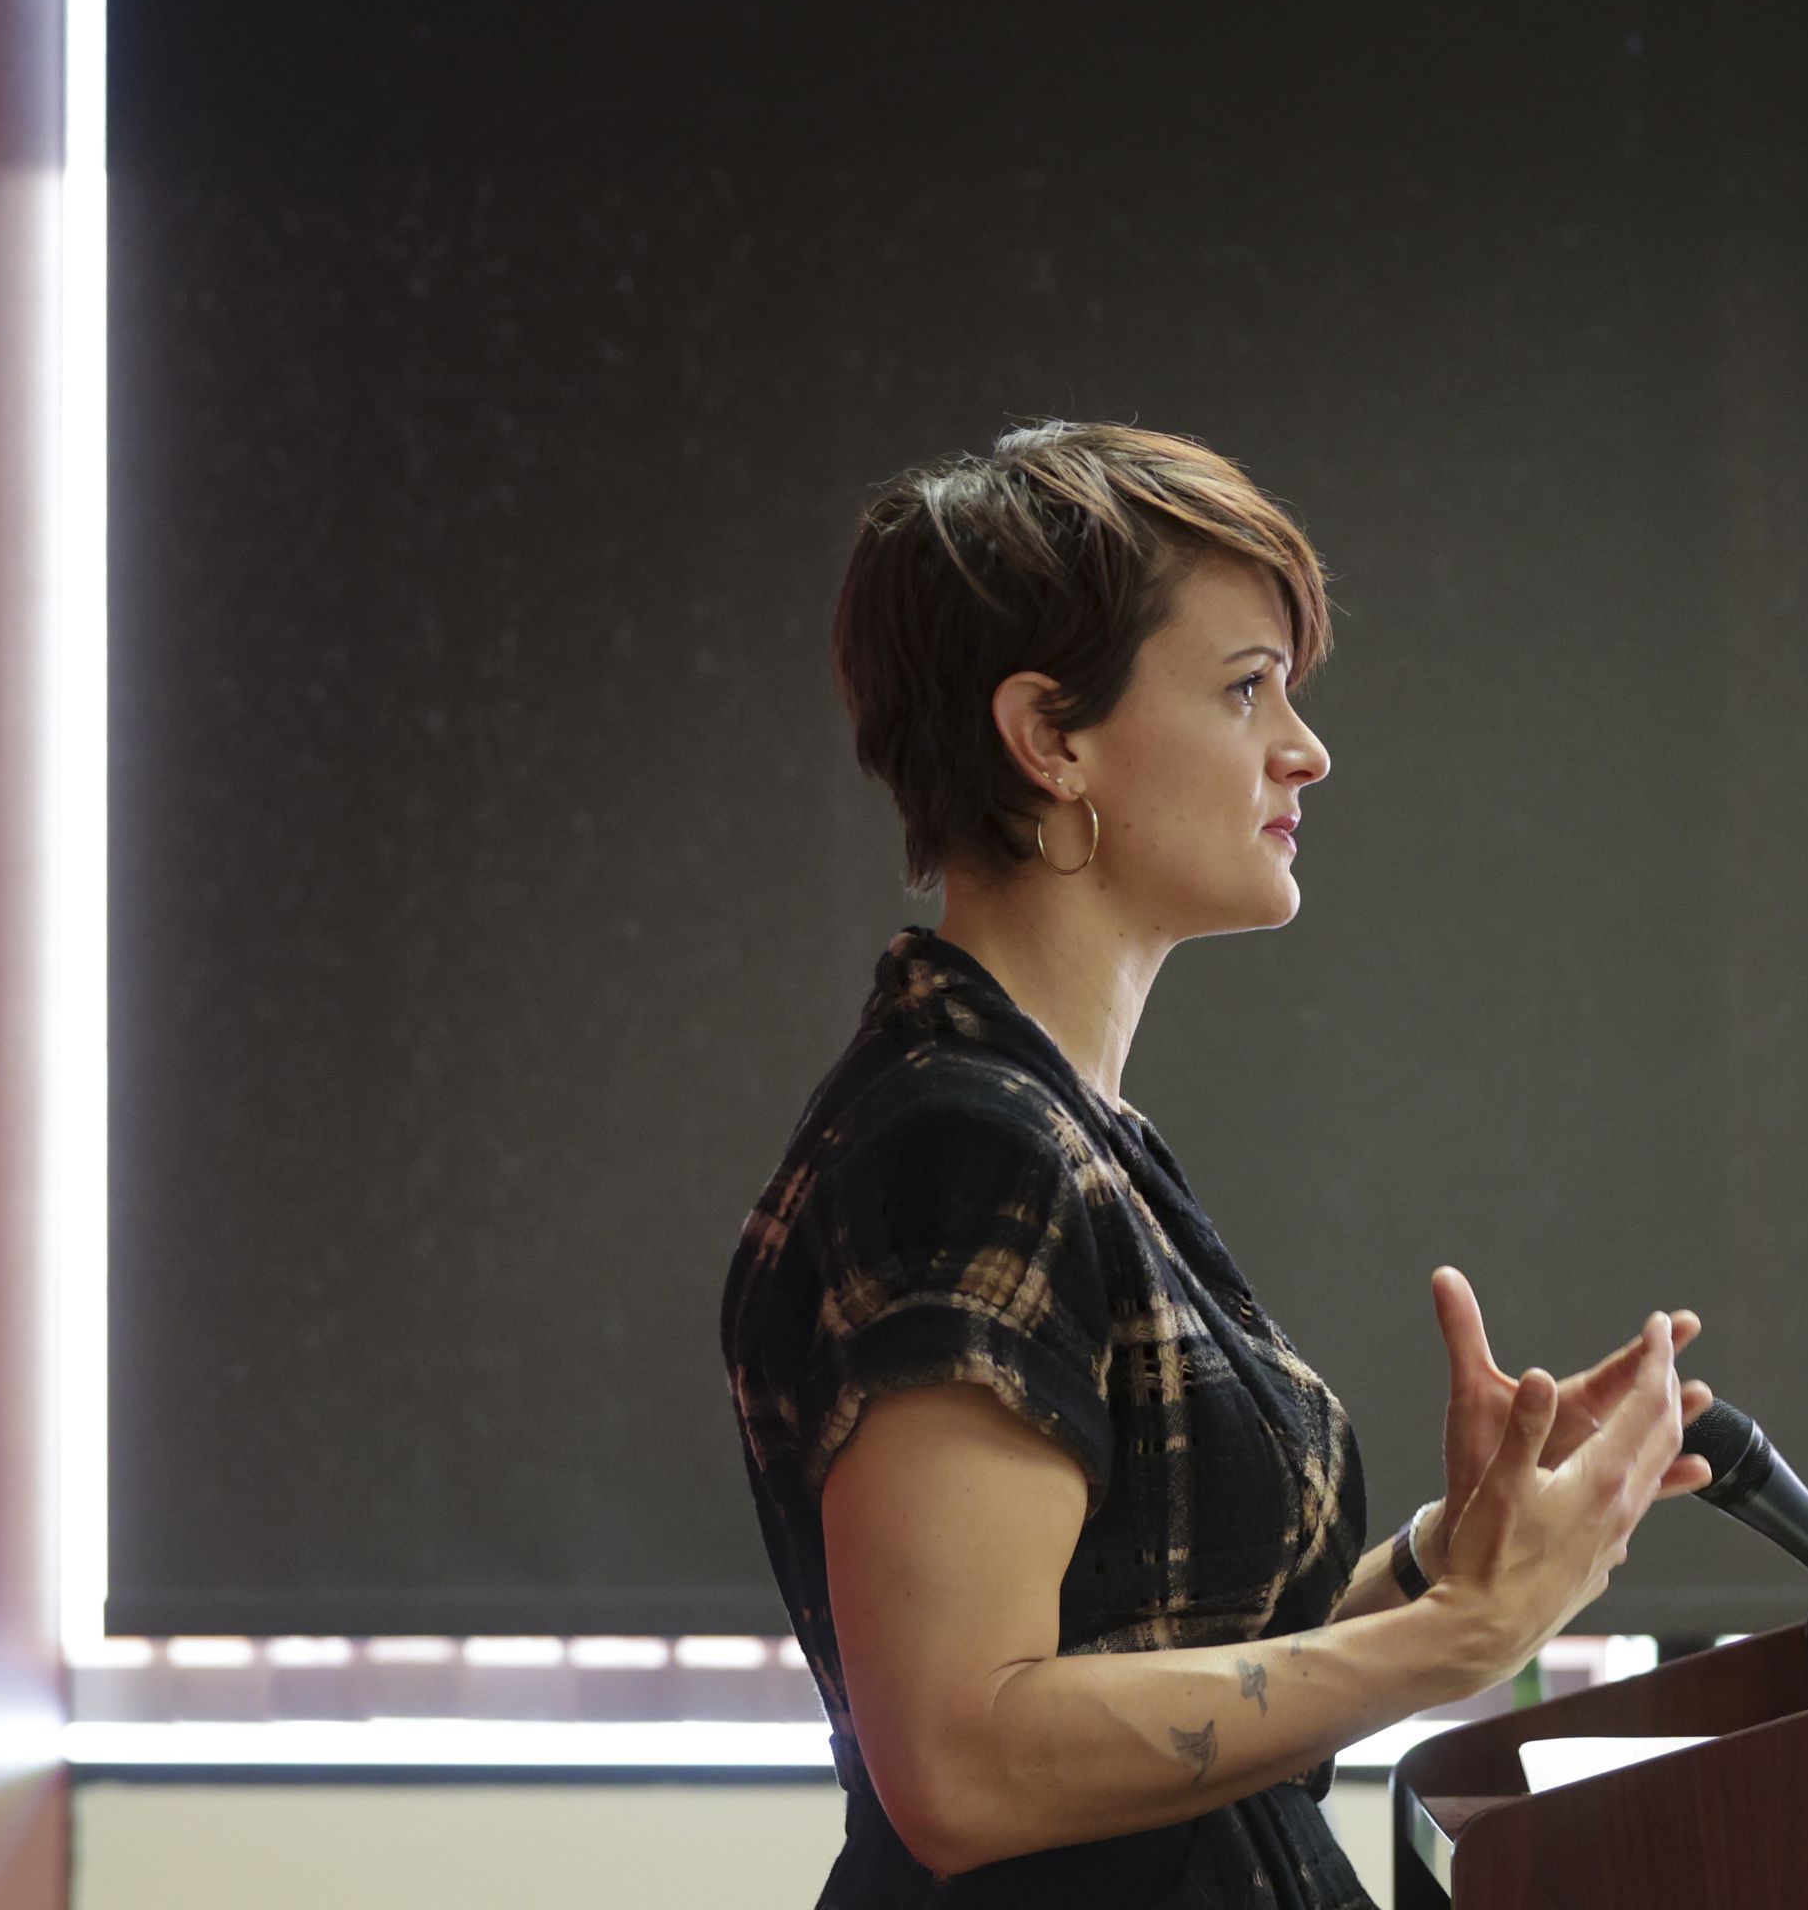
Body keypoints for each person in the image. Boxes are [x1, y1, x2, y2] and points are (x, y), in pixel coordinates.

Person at [719, 421, 1718, 1907]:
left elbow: (1157, 1666)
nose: (1305, 747)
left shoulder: (1066, 1131)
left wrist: (1444, 1565)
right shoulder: (960, 1147)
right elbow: (961, 1760)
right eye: (1247, 688)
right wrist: (1457, 1638)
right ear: (1050, 737)